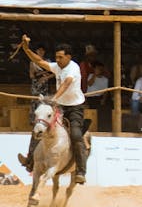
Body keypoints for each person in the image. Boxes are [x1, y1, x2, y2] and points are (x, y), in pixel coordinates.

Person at [17, 37, 89, 184]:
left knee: (76, 134)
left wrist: (54, 98)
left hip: (75, 108)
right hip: (60, 106)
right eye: (56, 57)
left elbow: (66, 84)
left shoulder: (73, 68)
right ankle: (30, 161)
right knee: (39, 128)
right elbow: (39, 61)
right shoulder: (57, 67)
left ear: (69, 57)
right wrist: (26, 49)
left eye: (60, 57)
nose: (58, 60)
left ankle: (81, 171)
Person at [27, 43, 54, 125]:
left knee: (45, 101)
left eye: (42, 50)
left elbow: (54, 73)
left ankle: (45, 121)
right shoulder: (33, 62)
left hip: (45, 85)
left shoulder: (48, 62)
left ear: (44, 51)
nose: (41, 52)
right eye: (39, 50)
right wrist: (41, 73)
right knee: (35, 101)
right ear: (36, 52)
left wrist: (46, 77)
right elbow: (31, 75)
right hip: (36, 85)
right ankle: (34, 121)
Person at [87, 60, 114, 132]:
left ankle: (105, 127)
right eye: (98, 68)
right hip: (91, 97)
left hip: (100, 97)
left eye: (101, 69)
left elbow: (105, 91)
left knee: (108, 105)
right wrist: (95, 75)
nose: (100, 70)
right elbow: (89, 84)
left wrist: (103, 100)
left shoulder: (105, 79)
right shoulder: (90, 76)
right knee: (95, 106)